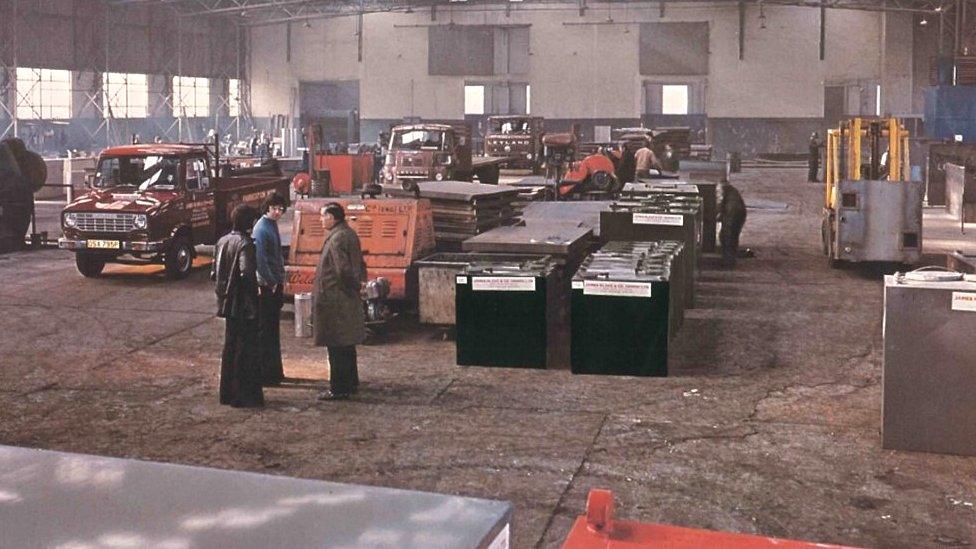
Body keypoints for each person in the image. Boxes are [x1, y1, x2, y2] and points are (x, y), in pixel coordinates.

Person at [212, 204, 264, 408]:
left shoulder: (222, 241)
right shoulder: (245, 244)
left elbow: (214, 273)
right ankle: (243, 395)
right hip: (244, 304)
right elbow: (247, 273)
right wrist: (255, 294)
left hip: (226, 302)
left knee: (230, 347)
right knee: (246, 350)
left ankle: (226, 393)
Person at [314, 202, 367, 401]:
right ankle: (351, 383)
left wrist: (352, 286)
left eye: (323, 216)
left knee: (336, 345)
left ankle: (339, 388)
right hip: (344, 297)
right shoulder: (348, 233)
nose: (320, 220)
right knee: (346, 344)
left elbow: (343, 270)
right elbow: (359, 264)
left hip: (335, 299)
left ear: (333, 217)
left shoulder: (337, 238)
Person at [253, 192, 288, 386]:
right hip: (267, 287)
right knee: (266, 331)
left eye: (281, 210)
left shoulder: (271, 225)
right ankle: (267, 374)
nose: (278, 212)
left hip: (274, 283)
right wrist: (272, 282)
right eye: (275, 209)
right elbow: (261, 260)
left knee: (272, 331)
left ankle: (274, 373)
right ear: (267, 208)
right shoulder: (261, 228)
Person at [718, 183, 747, 267]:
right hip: (738, 213)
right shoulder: (728, 191)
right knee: (732, 237)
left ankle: (728, 262)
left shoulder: (723, 192)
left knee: (727, 237)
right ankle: (730, 259)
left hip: (733, 213)